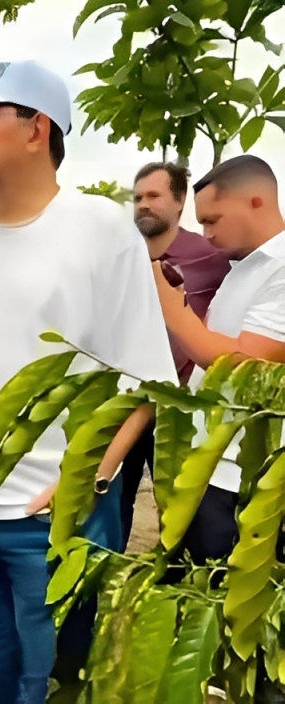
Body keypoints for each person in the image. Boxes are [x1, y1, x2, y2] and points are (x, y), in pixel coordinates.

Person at [0, 59, 176, 703]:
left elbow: (147, 380)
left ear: (37, 128)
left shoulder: (100, 228)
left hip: (51, 517)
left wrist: (91, 481)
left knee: (55, 679)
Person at [152, 155, 285, 564]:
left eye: (212, 220)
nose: (205, 233)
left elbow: (248, 364)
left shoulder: (281, 267)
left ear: (256, 202)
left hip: (241, 476)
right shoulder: (244, 267)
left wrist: (171, 308)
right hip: (209, 464)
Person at [118, 162, 231, 545]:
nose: (143, 205)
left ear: (180, 200)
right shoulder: (123, 255)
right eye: (138, 198)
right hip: (125, 398)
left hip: (180, 406)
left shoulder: (212, 258)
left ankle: (175, 570)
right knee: (115, 496)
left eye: (154, 196)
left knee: (179, 505)